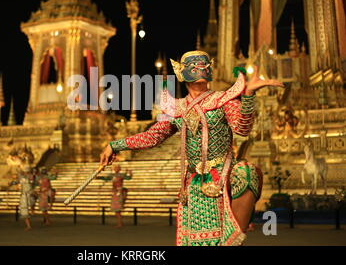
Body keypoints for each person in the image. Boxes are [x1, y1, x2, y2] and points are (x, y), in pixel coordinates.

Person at [100, 50, 284, 246]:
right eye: (194, 67)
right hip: (194, 181)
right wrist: (115, 145)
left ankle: (233, 238)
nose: (200, 71)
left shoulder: (222, 100)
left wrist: (248, 95)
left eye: (204, 66)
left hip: (224, 174)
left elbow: (242, 128)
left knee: (247, 172)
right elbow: (152, 136)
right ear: (182, 74)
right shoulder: (177, 109)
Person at [10, 165, 36, 230]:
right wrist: (12, 183)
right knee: (24, 210)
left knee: (27, 207)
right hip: (25, 195)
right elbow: (16, 181)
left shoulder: (30, 177)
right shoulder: (23, 177)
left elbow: (32, 182)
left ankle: (29, 223)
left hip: (28, 194)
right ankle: (28, 225)